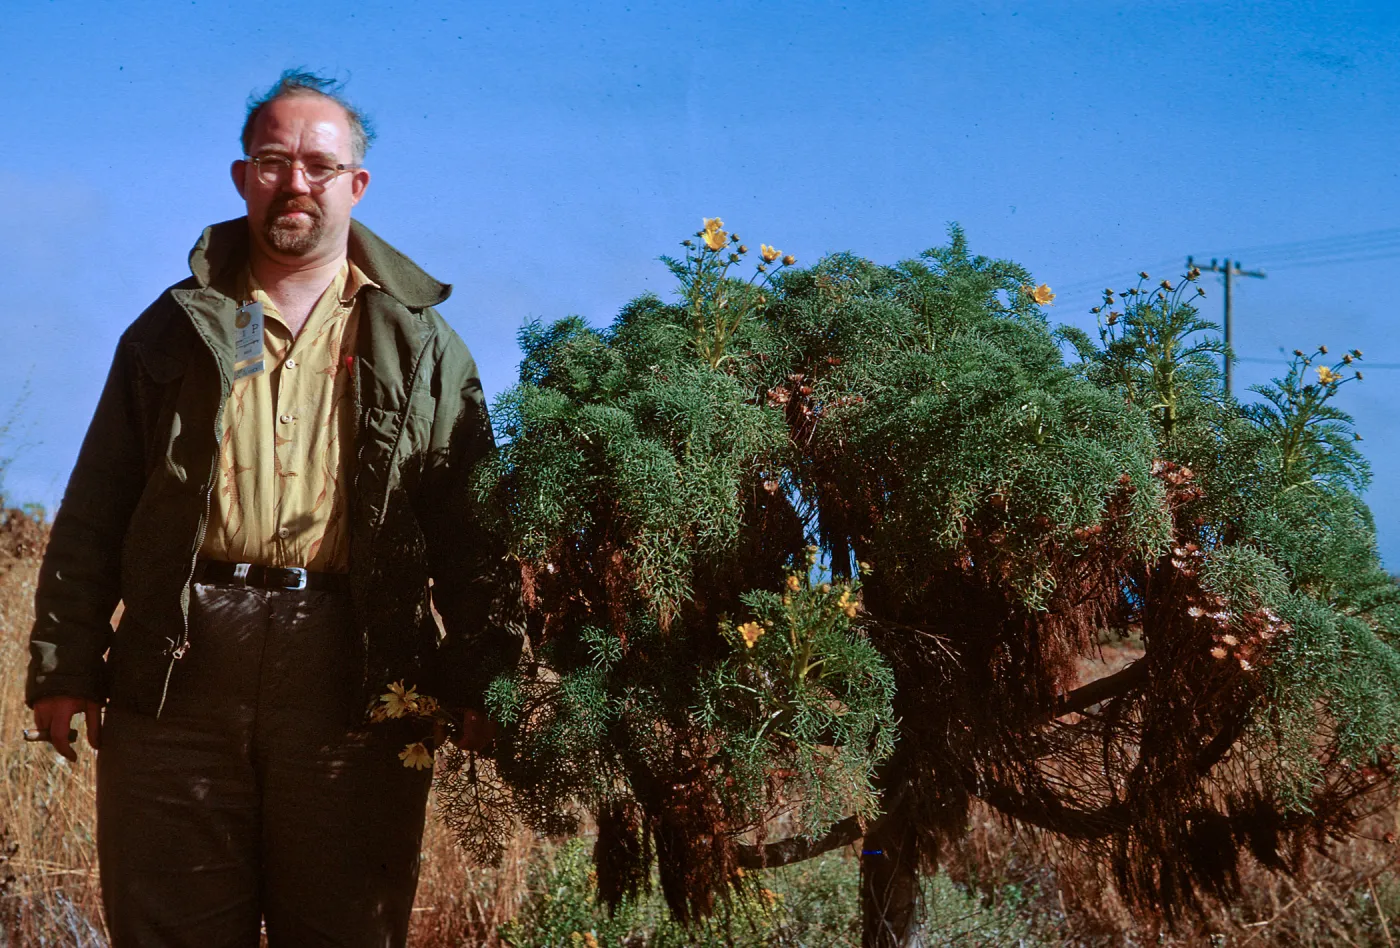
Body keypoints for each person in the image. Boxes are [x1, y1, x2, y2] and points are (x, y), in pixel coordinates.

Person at [25, 71, 521, 947]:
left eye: (319, 166)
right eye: (273, 161)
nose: (295, 182)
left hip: (356, 673)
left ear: (355, 184)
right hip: (178, 671)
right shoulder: (170, 329)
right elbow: (96, 505)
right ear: (242, 176)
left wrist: (484, 673)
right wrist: (65, 664)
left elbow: (468, 525)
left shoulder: (425, 346)